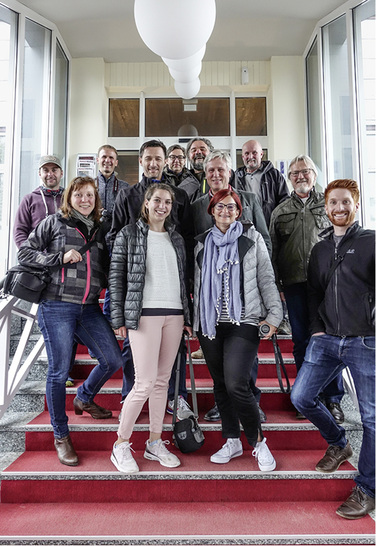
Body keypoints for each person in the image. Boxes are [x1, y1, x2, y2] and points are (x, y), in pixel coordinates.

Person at [17, 176, 123, 466]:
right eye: (79, 195)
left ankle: (84, 397)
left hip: (89, 308)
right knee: (58, 371)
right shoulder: (53, 223)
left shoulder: (100, 230)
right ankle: (61, 434)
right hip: (56, 306)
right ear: (70, 198)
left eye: (90, 195)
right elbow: (25, 252)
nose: (85, 199)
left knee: (113, 359)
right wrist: (58, 257)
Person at [291, 179, 375, 520]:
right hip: (326, 339)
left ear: (355, 205)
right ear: (325, 209)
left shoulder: (371, 242)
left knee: (372, 418)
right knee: (301, 397)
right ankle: (339, 442)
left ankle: (367, 488)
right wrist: (316, 330)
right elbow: (314, 292)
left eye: (345, 202)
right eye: (333, 204)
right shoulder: (320, 248)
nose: (339, 208)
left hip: (364, 341)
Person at [193, 188, 282, 470]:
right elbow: (195, 286)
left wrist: (275, 316)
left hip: (244, 321)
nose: (225, 212)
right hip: (210, 324)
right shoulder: (201, 244)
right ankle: (231, 439)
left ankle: (258, 443)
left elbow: (266, 279)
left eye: (231, 207)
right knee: (221, 385)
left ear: (239, 211)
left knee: (236, 383)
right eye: (219, 207)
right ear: (211, 211)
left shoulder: (252, 239)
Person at [109, 183, 192, 473]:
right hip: (143, 315)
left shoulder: (177, 238)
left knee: (162, 383)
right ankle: (121, 444)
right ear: (146, 203)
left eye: (168, 201)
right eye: (157, 200)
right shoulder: (128, 234)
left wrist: (187, 318)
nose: (162, 206)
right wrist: (117, 318)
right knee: (143, 382)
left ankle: (155, 442)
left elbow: (184, 281)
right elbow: (117, 278)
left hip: (174, 314)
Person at [109, 139, 194, 419]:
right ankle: (129, 394)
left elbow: (186, 239)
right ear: (141, 161)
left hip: (169, 289)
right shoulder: (127, 195)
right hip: (138, 288)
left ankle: (176, 396)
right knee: (129, 347)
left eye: (159, 158)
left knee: (175, 348)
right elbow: (114, 235)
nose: (154, 163)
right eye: (148, 158)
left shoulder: (179, 196)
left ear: (165, 161)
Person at [191, 150, 272, 406]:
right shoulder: (196, 206)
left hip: (243, 289)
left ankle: (251, 401)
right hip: (212, 293)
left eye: (220, 169)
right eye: (211, 170)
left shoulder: (248, 199)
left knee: (246, 354)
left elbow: (264, 239)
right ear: (205, 175)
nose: (216, 174)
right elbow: (191, 247)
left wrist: (264, 280)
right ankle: (222, 404)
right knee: (218, 355)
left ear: (230, 172)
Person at [269, 155, 345, 422]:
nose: (300, 177)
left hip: (327, 286)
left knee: (332, 340)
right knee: (301, 342)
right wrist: (277, 285)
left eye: (305, 172)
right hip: (294, 286)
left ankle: (333, 399)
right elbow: (273, 252)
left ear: (314, 174)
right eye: (294, 173)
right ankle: (306, 398)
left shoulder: (328, 205)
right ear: (288, 178)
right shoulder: (280, 211)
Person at [95, 144, 134, 403]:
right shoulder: (89, 186)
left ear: (116, 162)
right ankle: (102, 336)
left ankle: (112, 329)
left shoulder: (126, 189)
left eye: (111, 157)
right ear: (98, 161)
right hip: (95, 245)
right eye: (103, 158)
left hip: (118, 245)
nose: (107, 161)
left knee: (114, 288)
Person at [234, 139, 289, 227]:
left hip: (269, 228)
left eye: (254, 153)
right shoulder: (235, 178)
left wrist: (277, 224)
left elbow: (285, 202)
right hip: (243, 228)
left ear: (261, 154)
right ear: (243, 156)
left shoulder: (274, 175)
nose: (250, 156)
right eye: (247, 153)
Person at [13, 155, 64, 249]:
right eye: (45, 170)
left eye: (54, 170)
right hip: (37, 259)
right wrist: (28, 253)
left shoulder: (70, 199)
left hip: (64, 258)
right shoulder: (29, 199)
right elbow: (19, 232)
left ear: (61, 173)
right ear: (39, 174)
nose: (50, 174)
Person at [179, 137, 214, 202]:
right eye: (193, 150)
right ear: (188, 156)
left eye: (202, 149)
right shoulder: (182, 184)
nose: (198, 152)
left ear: (211, 153)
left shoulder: (222, 178)